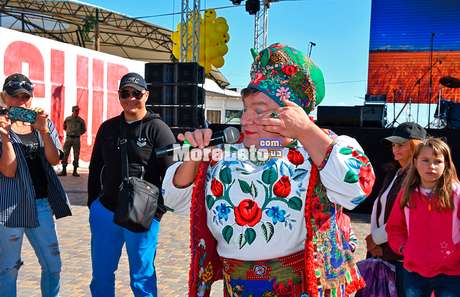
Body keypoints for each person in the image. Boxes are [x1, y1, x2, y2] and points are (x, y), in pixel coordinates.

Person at [162, 44, 375, 297]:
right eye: (245, 109)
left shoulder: (319, 149)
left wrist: (306, 131)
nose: (246, 119)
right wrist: (193, 156)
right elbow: (174, 200)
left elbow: (356, 189)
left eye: (259, 110)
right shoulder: (223, 152)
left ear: (292, 112)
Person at [87, 72, 176, 297]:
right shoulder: (108, 128)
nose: (131, 98)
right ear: (119, 96)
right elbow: (96, 167)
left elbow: (170, 173)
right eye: (125, 93)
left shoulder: (158, 129)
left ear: (146, 95)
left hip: (142, 215)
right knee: (101, 277)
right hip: (106, 212)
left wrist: (157, 212)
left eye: (136, 93)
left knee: (142, 279)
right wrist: (93, 205)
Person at [0, 73, 72, 297]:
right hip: (9, 206)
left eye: (25, 97)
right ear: (4, 97)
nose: (21, 102)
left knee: (53, 266)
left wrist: (43, 130)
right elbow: (8, 170)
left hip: (41, 205)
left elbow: (54, 160)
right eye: (15, 97)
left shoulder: (42, 122)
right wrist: (5, 138)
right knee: (8, 269)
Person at [386, 137, 460, 297]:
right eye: (425, 160)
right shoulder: (406, 194)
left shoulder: (456, 194)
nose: (431, 166)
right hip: (414, 272)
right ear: (415, 161)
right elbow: (394, 227)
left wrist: (455, 254)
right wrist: (404, 248)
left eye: (437, 161)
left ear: (446, 164)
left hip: (451, 273)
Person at [365, 121, 426, 296]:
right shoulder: (396, 173)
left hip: (402, 257)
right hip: (386, 253)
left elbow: (408, 218)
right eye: (393, 145)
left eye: (401, 144)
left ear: (416, 146)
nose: (395, 149)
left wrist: (376, 239)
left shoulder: (418, 177)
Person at [58, 105, 86, 177]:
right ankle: (64, 170)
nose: (77, 112)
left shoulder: (80, 120)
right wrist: (69, 132)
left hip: (76, 139)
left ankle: (75, 171)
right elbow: (64, 127)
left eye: (78, 111)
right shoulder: (68, 119)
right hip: (68, 138)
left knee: (76, 155)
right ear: (73, 111)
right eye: (76, 111)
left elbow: (84, 129)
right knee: (65, 154)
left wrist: (78, 133)